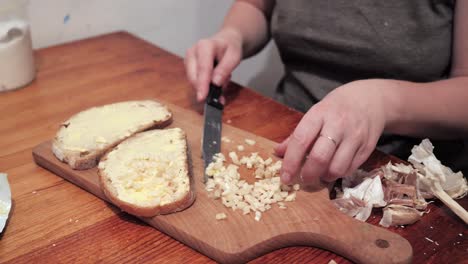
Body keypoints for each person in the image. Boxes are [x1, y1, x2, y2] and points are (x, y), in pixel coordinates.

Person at [184, 0, 468, 186]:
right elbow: (257, 7)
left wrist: (381, 103)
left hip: (403, 170)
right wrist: (233, 35)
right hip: (284, 136)